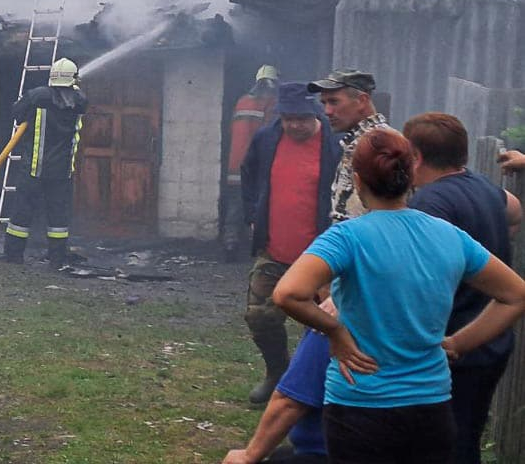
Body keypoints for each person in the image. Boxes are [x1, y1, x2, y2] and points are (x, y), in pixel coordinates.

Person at [273, 129, 525, 464]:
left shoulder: (346, 237)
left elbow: (289, 293)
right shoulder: (449, 236)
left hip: (358, 404)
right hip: (430, 404)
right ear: (410, 179)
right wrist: (458, 343)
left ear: (359, 182)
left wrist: (335, 332)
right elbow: (516, 295)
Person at [404, 113, 523, 464]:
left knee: (441, 448)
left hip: (454, 346)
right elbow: (515, 212)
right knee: (465, 439)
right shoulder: (482, 186)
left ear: (417, 156)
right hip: (493, 340)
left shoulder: (429, 204)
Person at [240, 82, 341, 404]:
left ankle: (321, 386)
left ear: (315, 113)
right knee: (259, 316)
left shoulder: (336, 144)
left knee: (324, 323)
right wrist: (253, 214)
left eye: (301, 118)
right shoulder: (267, 138)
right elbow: (248, 172)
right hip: (274, 249)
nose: (294, 125)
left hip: (323, 255)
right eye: (287, 118)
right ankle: (277, 373)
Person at [3, 57, 87, 268]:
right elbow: (74, 98)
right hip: (62, 171)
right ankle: (57, 260)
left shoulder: (37, 96)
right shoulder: (79, 101)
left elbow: (16, 113)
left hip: (34, 167)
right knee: (58, 218)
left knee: (22, 213)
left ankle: (13, 257)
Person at [221, 328, 331, 463]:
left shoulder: (326, 330)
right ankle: (276, 373)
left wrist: (249, 455)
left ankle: (278, 377)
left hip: (332, 454)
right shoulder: (356, 320)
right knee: (281, 454)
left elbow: (289, 404)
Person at [307, 69, 393, 222]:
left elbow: (387, 214)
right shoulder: (357, 142)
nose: (327, 111)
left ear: (362, 100)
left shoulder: (381, 143)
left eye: (334, 101)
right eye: (324, 103)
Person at [222, 64, 280, 261]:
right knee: (259, 207)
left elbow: (233, 132)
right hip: (258, 165)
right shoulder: (272, 104)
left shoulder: (241, 102)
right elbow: (271, 135)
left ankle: (230, 244)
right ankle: (255, 246)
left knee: (235, 207)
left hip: (235, 165)